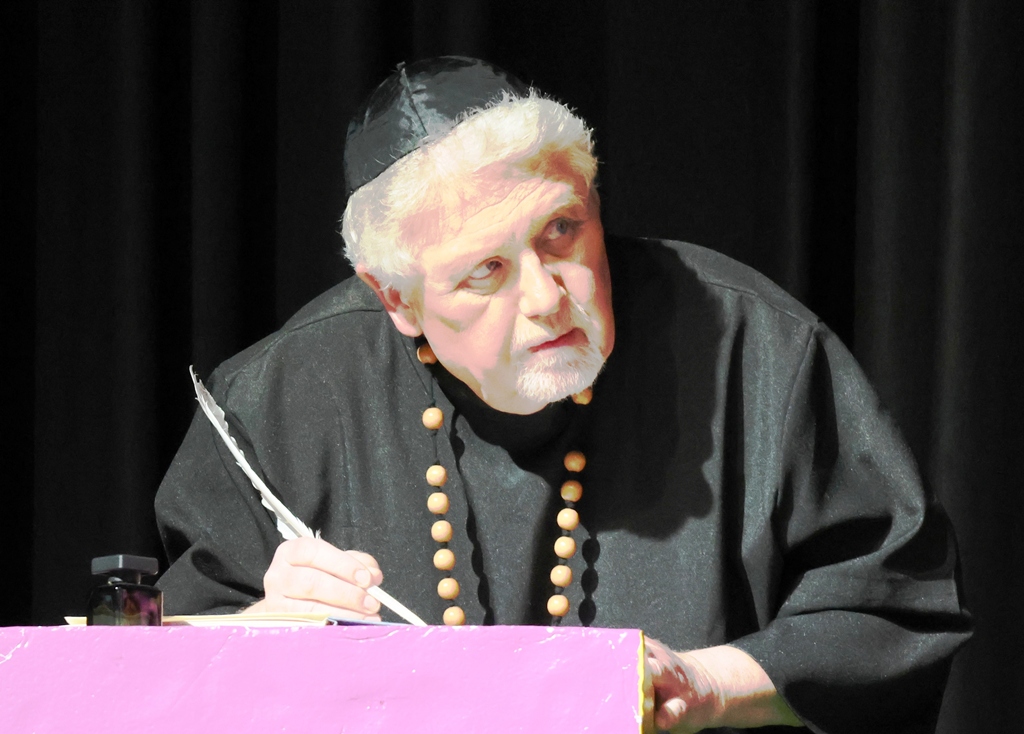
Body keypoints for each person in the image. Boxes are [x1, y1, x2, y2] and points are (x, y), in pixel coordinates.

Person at [155, 57, 971, 732]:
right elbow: (155, 677)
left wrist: (707, 686)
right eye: (486, 271)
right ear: (396, 299)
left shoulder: (755, 348)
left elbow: (892, 613)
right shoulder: (282, 399)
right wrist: (255, 641)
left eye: (561, 231)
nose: (547, 297)